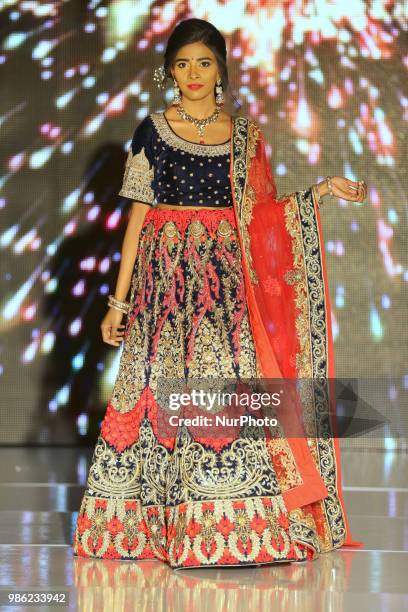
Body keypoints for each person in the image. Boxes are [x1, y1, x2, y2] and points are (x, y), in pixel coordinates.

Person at [72, 18, 366, 569]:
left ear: (221, 70)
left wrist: (321, 191)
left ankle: (235, 519)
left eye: (203, 63)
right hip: (163, 283)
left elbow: (265, 217)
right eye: (182, 64)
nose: (193, 74)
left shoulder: (245, 136)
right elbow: (137, 221)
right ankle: (147, 520)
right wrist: (119, 301)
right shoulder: (152, 130)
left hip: (224, 286)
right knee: (154, 387)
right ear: (169, 71)